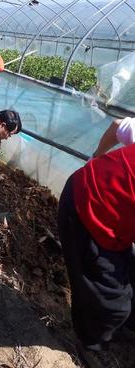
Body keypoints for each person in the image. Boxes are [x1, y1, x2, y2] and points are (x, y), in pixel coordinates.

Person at [58, 119, 135, 368]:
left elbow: (119, 125)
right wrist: (95, 160)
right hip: (88, 209)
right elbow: (118, 125)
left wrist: (97, 157)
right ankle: (90, 343)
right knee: (110, 301)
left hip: (116, 214)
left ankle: (128, 328)